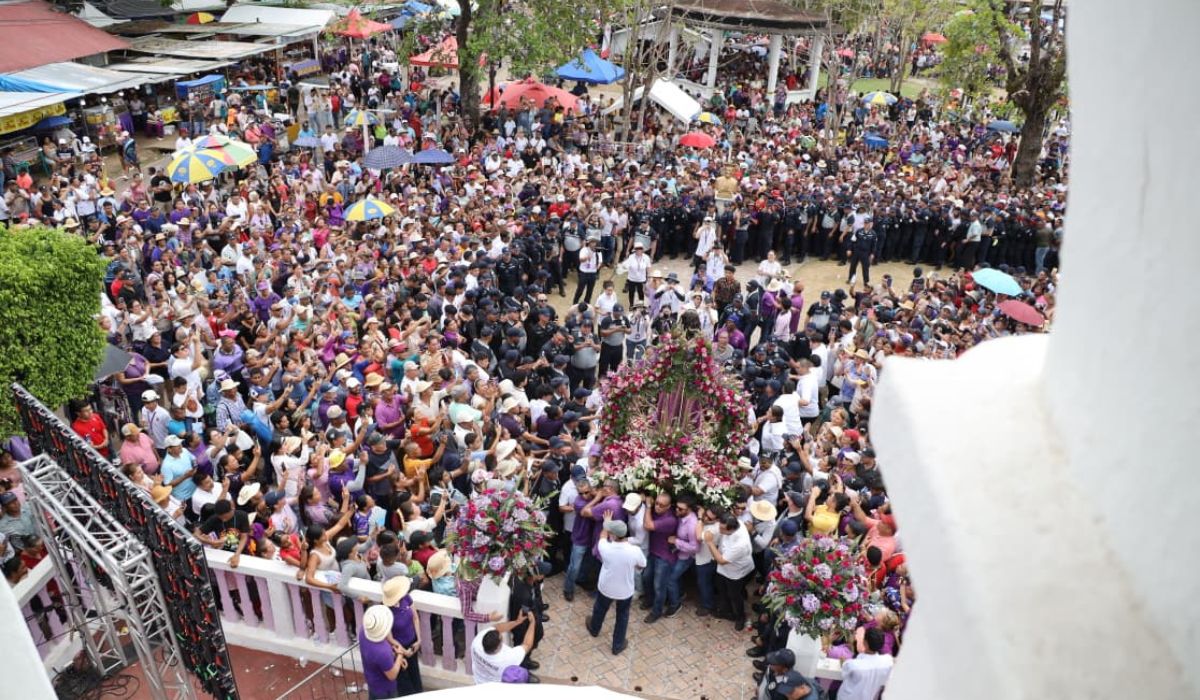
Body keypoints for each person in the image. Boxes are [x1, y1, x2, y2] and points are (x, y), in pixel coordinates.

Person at [585, 514, 646, 655]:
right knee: (622, 616)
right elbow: (642, 565)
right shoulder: (634, 550)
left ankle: (594, 629)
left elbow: (602, 536)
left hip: (606, 587)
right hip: (625, 590)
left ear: (612, 535)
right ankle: (617, 645)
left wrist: (606, 523)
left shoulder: (605, 547)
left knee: (600, 608)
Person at [704, 512, 754, 630]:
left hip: (735, 572)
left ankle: (740, 617)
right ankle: (726, 610)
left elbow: (721, 560)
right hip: (723, 570)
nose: (719, 529)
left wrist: (710, 542)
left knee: (735, 595)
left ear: (731, 529)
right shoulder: (736, 523)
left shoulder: (740, 544)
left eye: (722, 528)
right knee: (722, 589)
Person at [470, 609, 539, 684]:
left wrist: (517, 622)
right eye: (501, 638)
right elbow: (527, 645)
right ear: (498, 647)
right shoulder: (507, 658)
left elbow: (497, 628)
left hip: (479, 680)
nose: (501, 635)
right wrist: (532, 622)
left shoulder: (476, 642)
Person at [360, 605, 407, 700]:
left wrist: (394, 656)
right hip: (385, 690)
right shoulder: (382, 651)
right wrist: (400, 656)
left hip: (372, 681)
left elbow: (377, 660)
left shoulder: (363, 632)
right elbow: (392, 675)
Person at [835, 627, 894, 700]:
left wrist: (843, 661)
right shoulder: (887, 661)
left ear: (865, 642)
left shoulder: (852, 665)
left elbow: (844, 672)